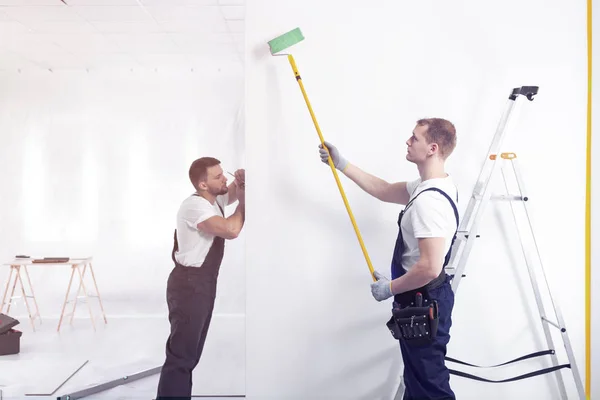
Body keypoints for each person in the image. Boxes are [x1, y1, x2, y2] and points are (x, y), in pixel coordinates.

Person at [318, 118, 459, 400]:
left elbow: (429, 267)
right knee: (417, 380)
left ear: (432, 148)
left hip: (423, 297)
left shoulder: (429, 203)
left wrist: (391, 288)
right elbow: (383, 190)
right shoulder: (429, 185)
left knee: (430, 387)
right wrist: (341, 163)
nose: (407, 142)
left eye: (414, 138)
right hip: (419, 296)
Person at [156, 157, 246, 400]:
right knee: (181, 358)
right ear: (203, 185)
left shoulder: (213, 200)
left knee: (190, 356)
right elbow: (231, 230)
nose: (224, 178)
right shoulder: (195, 207)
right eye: (218, 177)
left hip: (202, 284)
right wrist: (244, 203)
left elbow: (233, 192)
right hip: (188, 286)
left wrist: (242, 180)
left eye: (222, 173)